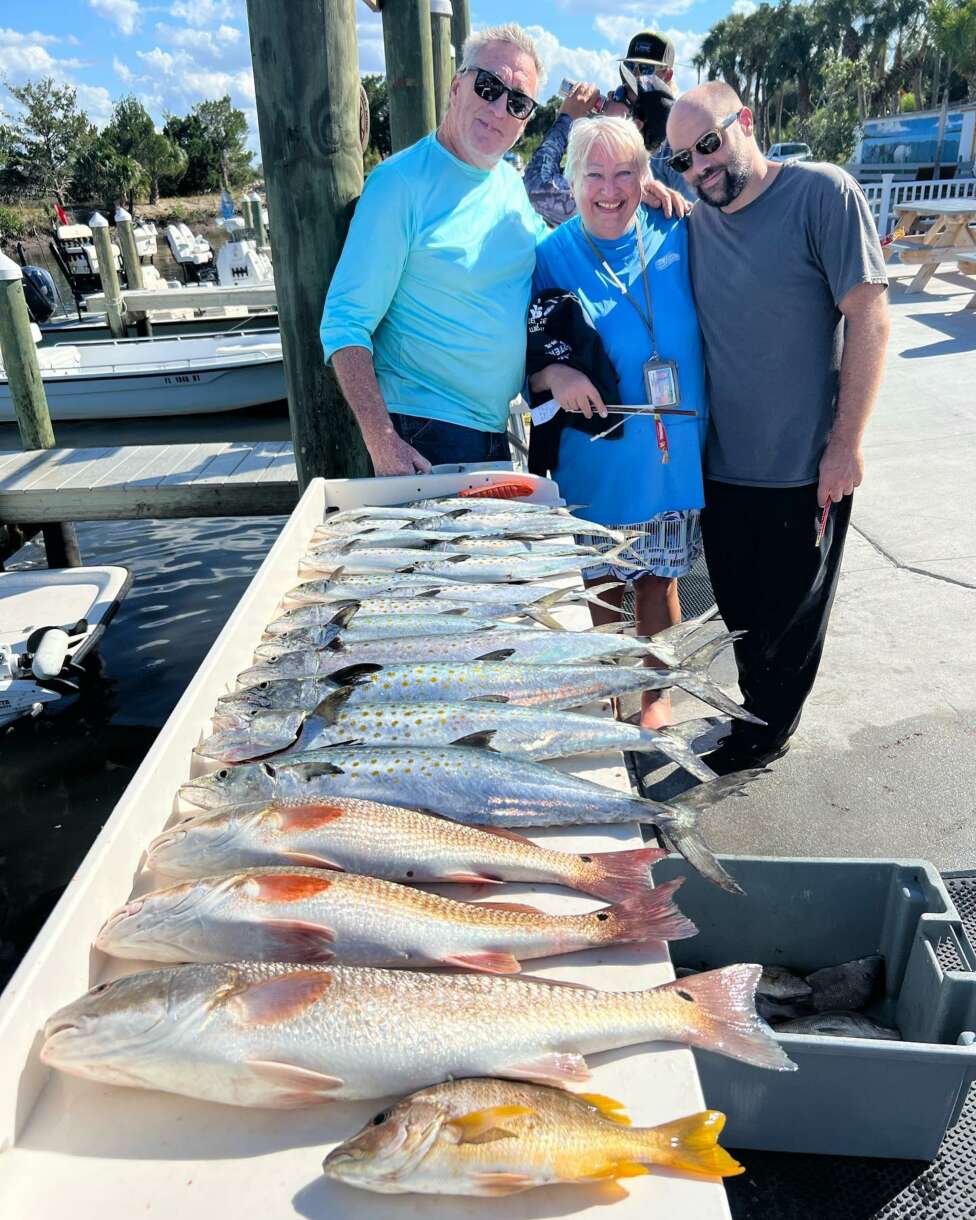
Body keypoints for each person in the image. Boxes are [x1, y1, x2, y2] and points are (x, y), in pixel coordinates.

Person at [665, 81, 890, 773]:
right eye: (680, 161)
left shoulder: (822, 194)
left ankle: (764, 735)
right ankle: (755, 714)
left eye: (709, 144)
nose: (700, 167)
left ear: (747, 122)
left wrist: (845, 446)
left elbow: (870, 317)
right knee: (740, 615)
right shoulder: (692, 219)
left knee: (790, 625)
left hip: (803, 468)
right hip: (722, 465)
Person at [529, 116, 708, 730]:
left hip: (673, 448)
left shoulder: (677, 226)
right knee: (602, 585)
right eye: (594, 174)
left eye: (625, 173)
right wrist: (553, 378)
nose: (610, 189)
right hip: (599, 455)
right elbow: (522, 353)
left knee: (660, 582)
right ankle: (607, 691)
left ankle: (654, 700)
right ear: (572, 181)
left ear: (644, 177)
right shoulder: (550, 255)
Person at [320, 24, 549, 475]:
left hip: (493, 434)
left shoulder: (508, 184)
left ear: (525, 120)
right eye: (489, 87)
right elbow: (344, 323)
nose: (500, 108)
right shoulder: (398, 184)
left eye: (518, 102)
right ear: (457, 86)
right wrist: (382, 440)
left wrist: (633, 201)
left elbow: (560, 251)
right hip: (424, 434)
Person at [522, 31, 691, 230]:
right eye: (628, 68)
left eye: (645, 69)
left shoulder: (679, 146)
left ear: (637, 125)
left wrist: (567, 119)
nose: (635, 75)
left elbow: (538, 187)